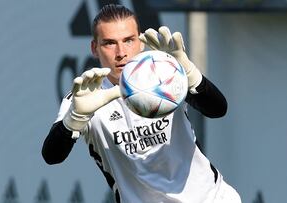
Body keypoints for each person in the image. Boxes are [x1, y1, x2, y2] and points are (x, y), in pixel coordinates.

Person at [42, 4, 241, 203]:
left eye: (128, 40)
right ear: (95, 48)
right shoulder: (86, 97)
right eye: (109, 43)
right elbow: (52, 156)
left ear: (141, 42)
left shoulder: (163, 74)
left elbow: (218, 109)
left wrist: (189, 72)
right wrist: (75, 118)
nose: (121, 52)